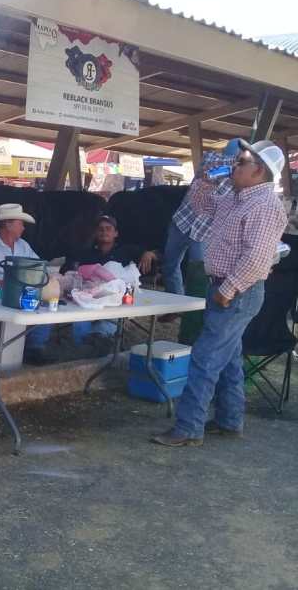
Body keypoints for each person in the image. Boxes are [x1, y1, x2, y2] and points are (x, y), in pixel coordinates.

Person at [152, 140, 288, 447]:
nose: (234, 166)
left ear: (258, 170)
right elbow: (202, 207)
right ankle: (229, 420)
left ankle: (188, 427)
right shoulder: (237, 197)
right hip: (228, 288)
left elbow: (257, 258)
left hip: (238, 291)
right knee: (229, 359)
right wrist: (205, 181)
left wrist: (227, 290)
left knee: (205, 357)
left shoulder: (265, 205)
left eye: (240, 162)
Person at [0, 203, 52, 364]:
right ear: (8, 224)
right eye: (21, 224)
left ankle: (34, 348)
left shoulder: (23, 245)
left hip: (23, 291)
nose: (23, 228)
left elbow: (38, 265)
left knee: (44, 308)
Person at [62, 215, 158, 349]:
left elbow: (158, 256)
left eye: (108, 228)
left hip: (116, 299)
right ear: (96, 233)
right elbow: (67, 270)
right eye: (100, 229)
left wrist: (149, 254)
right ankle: (82, 347)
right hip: (90, 297)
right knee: (80, 317)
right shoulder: (87, 253)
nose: (104, 232)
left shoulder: (126, 250)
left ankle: (97, 340)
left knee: (109, 320)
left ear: (116, 233)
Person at [160, 141, 238, 303]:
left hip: (203, 231)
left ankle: (194, 309)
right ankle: (177, 304)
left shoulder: (238, 176)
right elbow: (219, 165)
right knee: (170, 266)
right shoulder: (212, 159)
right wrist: (237, 164)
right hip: (183, 221)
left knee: (198, 274)